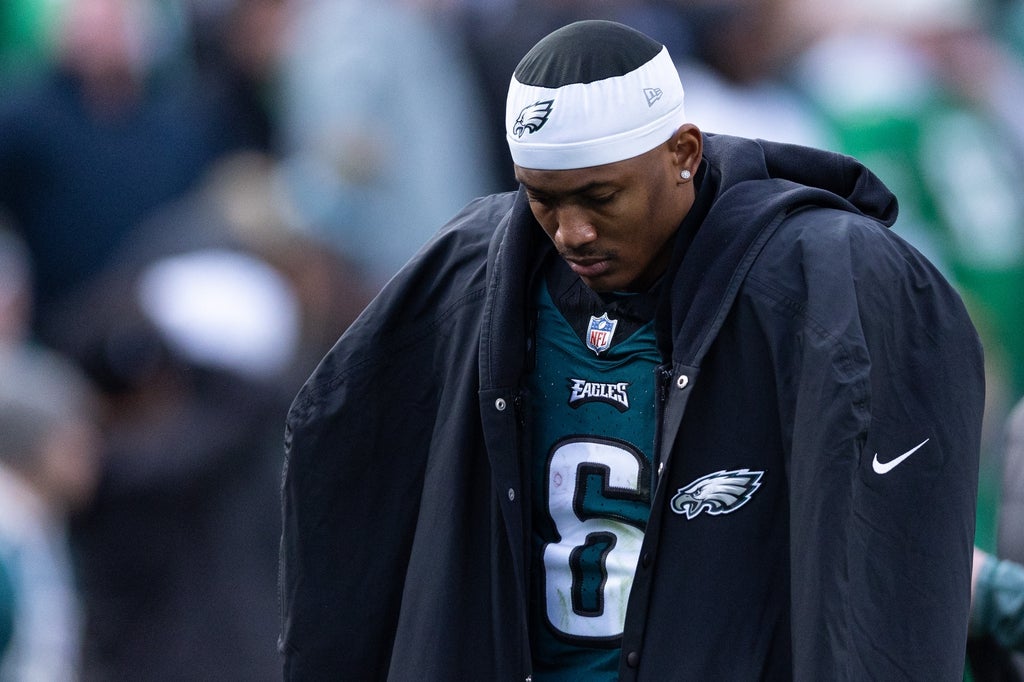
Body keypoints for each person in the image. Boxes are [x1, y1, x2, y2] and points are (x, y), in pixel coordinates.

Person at [279, 20, 984, 680]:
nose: (572, 231)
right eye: (544, 200)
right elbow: (335, 457)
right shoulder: (474, 277)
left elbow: (880, 573)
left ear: (682, 152)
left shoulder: (822, 282)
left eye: (599, 196)